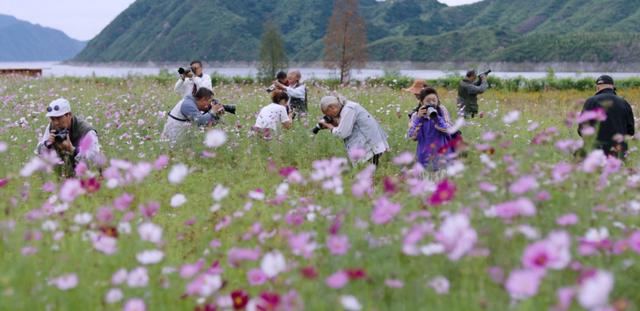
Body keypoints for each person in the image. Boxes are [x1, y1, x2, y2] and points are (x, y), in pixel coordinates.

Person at [36, 98, 102, 177]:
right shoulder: (52, 127)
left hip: (86, 177)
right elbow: (39, 152)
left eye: (59, 118)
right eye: (52, 119)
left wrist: (72, 150)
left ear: (69, 115)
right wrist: (47, 144)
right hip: (63, 173)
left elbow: (90, 164)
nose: (56, 122)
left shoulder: (87, 131)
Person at [318, 95, 389, 165]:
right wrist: (334, 124)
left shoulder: (348, 109)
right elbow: (349, 125)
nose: (329, 116)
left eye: (327, 113)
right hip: (370, 142)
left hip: (369, 145)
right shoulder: (347, 107)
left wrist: (330, 126)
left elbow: (342, 133)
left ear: (332, 107)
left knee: (365, 172)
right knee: (370, 171)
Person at [578, 75, 635, 158]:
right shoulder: (624, 103)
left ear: (597, 87)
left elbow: (582, 129)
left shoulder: (590, 101)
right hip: (619, 153)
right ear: (613, 87)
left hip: (596, 153)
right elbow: (630, 131)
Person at [408, 88, 452, 173]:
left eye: (434, 100)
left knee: (441, 180)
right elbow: (412, 135)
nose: (431, 103)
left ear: (438, 100)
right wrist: (418, 118)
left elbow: (449, 129)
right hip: (424, 154)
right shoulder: (415, 115)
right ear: (421, 102)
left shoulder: (441, 110)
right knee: (425, 180)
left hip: (441, 154)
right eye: (428, 101)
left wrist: (436, 118)